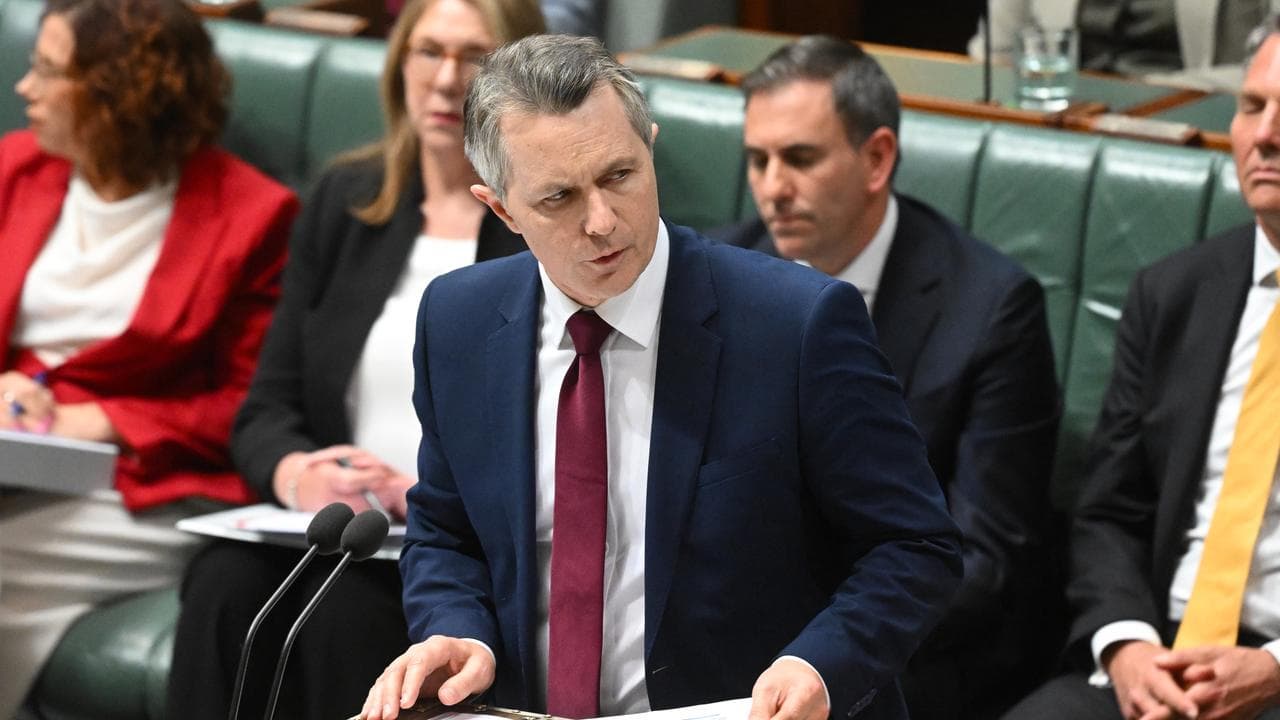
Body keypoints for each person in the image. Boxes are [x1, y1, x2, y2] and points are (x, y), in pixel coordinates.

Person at [358, 33, 963, 720]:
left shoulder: (795, 324)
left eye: (620, 175)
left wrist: (821, 664)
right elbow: (446, 532)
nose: (602, 222)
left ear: (650, 145)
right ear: (501, 209)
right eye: (558, 197)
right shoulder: (458, 321)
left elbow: (914, 545)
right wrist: (454, 628)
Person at [163, 0, 542, 718]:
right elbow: (266, 407)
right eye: (427, 51)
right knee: (222, 583)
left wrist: (424, 495)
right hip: (336, 530)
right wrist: (299, 473)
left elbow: (557, 439)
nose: (444, 80)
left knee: (344, 619)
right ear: (399, 63)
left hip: (449, 550)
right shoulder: (347, 199)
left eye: (474, 58)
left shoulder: (540, 228)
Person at [715, 35, 1060, 720]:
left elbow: (981, 560)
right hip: (735, 636)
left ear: (877, 158)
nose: (773, 188)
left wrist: (823, 649)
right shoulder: (721, 273)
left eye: (800, 159)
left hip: (908, 654)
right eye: (758, 160)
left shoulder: (991, 308)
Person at [0, 0, 298, 714]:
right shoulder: (15, 170)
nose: (23, 89)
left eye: (47, 71)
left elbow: (248, 406)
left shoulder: (252, 215)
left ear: (119, 91)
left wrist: (101, 420)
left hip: (144, 487)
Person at [1004, 19, 1280, 720]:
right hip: (1159, 663)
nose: (1266, 136)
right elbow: (1108, 512)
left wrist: (1275, 668)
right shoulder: (1175, 292)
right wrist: (1126, 646)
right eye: (1252, 108)